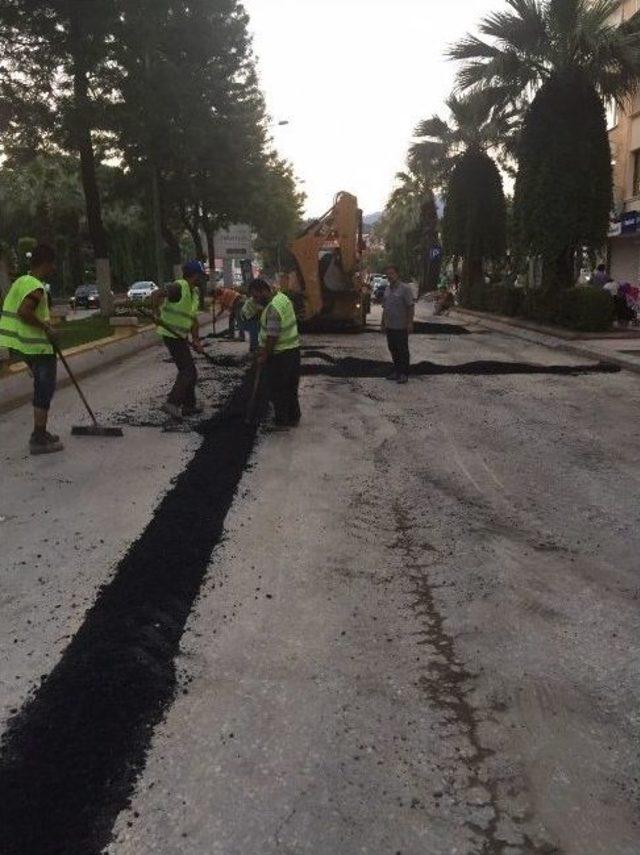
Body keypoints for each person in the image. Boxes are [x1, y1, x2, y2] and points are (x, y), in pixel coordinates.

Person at [0, 244, 62, 455]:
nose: (53, 268)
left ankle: (41, 433)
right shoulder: (35, 286)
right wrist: (47, 328)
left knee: (41, 388)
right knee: (44, 390)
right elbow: (24, 311)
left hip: (26, 347)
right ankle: (38, 436)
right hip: (38, 348)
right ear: (46, 263)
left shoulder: (21, 281)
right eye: (52, 264)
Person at [152, 260, 205, 421]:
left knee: (190, 371)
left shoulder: (194, 292)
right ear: (195, 275)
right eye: (200, 276)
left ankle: (189, 406)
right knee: (187, 371)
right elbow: (156, 294)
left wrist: (196, 340)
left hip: (180, 336)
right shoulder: (179, 286)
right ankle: (172, 403)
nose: (202, 279)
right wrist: (155, 314)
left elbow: (193, 319)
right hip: (170, 334)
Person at [250, 278, 301, 430]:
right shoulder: (282, 298)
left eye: (256, 296)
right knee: (291, 387)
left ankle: (282, 421)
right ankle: (294, 416)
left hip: (281, 354)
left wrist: (265, 354)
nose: (255, 299)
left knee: (278, 388)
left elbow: (272, 335)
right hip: (293, 350)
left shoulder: (272, 308)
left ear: (263, 291)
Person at [381, 264, 414, 384]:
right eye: (388, 274)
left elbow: (410, 306)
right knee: (393, 349)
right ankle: (396, 371)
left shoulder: (405, 289)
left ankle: (404, 373)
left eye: (392, 273)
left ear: (397, 274)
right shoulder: (387, 289)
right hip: (390, 325)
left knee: (402, 350)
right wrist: (382, 323)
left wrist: (410, 323)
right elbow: (385, 308)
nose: (390, 276)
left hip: (401, 326)